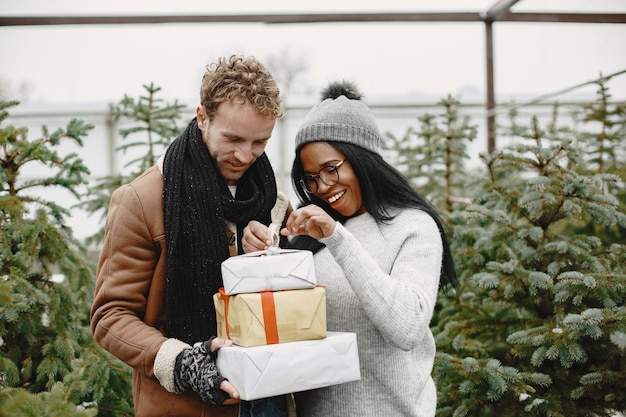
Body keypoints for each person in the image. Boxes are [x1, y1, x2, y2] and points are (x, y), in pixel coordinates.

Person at [90, 55, 294, 417]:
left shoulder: (272, 203)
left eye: (260, 142)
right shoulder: (142, 200)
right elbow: (110, 316)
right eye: (233, 138)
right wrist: (184, 362)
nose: (245, 155)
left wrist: (273, 251)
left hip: (267, 400)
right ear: (202, 117)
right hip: (183, 407)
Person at [242, 80, 457, 417]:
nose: (323, 187)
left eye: (331, 169)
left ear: (363, 159)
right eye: (312, 177)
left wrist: (338, 238)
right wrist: (259, 251)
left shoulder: (412, 227)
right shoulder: (311, 235)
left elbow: (407, 327)